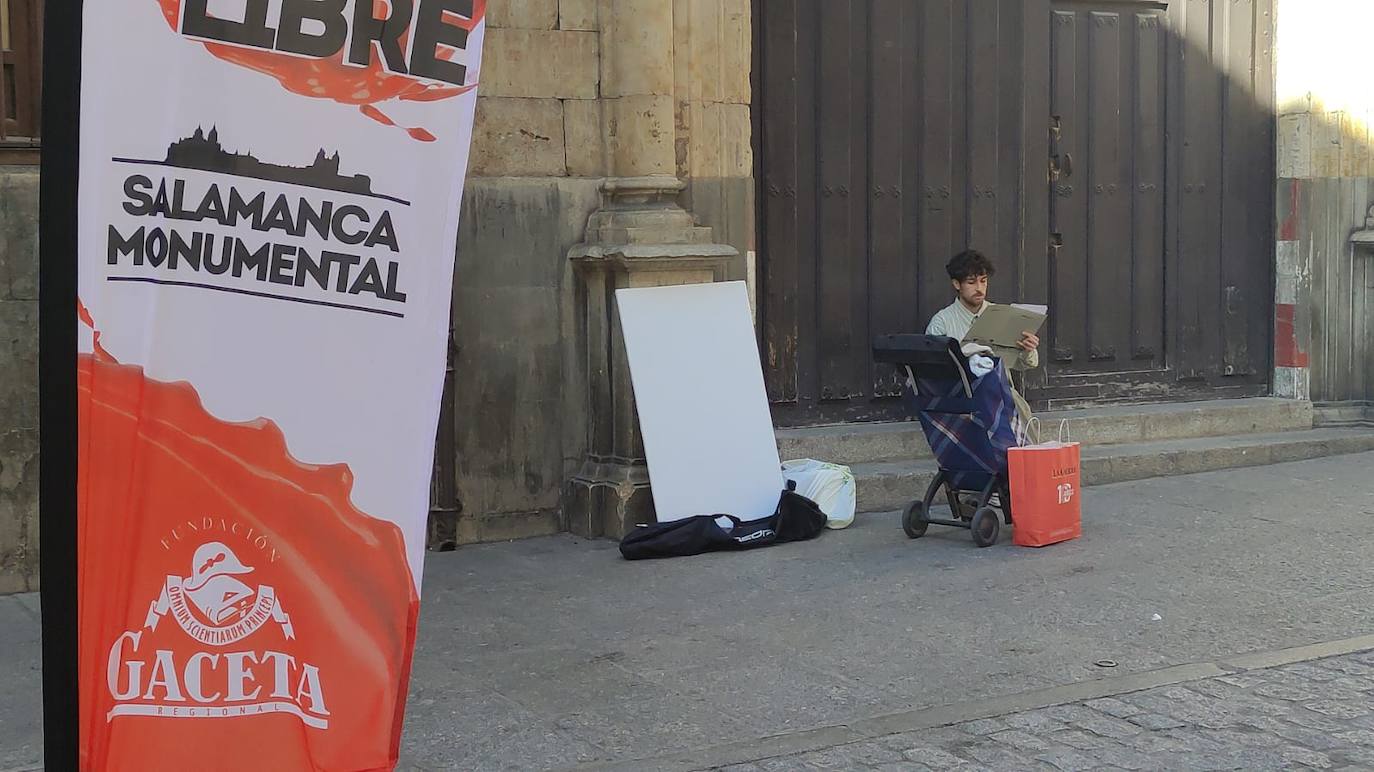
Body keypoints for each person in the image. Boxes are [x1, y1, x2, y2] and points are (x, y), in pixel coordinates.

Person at [925, 249, 1038, 423]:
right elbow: (932, 371)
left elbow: (1024, 364)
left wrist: (1028, 349)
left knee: (1013, 405)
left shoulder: (1000, 315)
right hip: (961, 397)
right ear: (957, 284)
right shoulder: (942, 322)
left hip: (1000, 396)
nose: (979, 288)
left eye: (983, 281)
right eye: (971, 282)